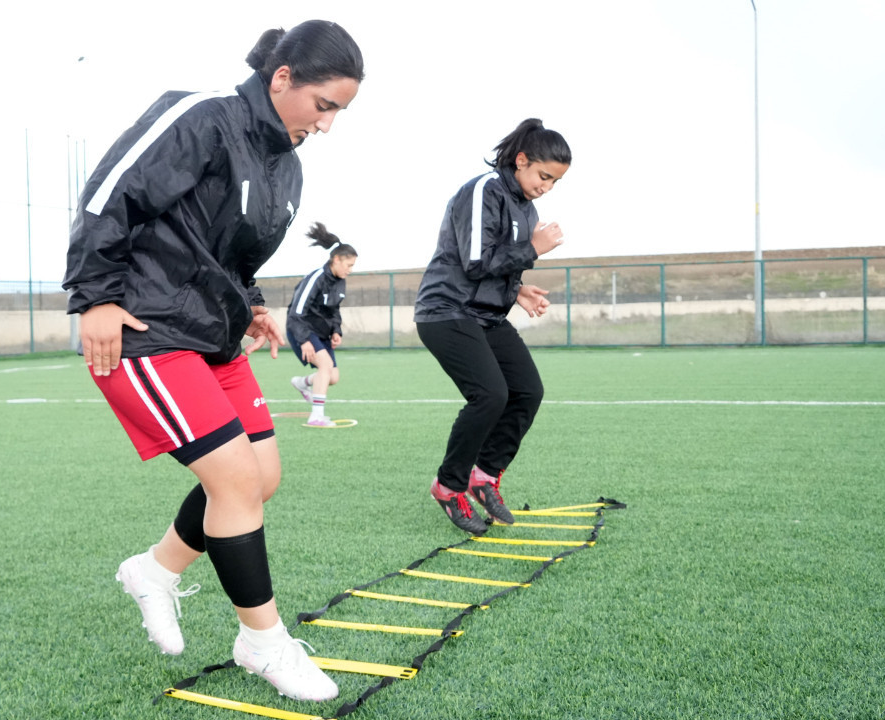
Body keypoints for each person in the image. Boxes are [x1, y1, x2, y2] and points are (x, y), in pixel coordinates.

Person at [62, 21, 363, 702]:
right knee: (232, 478)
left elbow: (225, 248)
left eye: (339, 111)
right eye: (325, 106)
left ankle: (157, 570)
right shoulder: (202, 114)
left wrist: (251, 302)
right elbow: (113, 191)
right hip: (144, 326)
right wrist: (94, 297)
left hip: (213, 334)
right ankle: (262, 641)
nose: (329, 124)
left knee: (262, 476)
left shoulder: (286, 161)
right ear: (282, 77)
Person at [413, 118, 570, 536]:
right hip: (446, 310)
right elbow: (476, 260)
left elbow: (501, 261)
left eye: (555, 182)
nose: (547, 187)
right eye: (543, 176)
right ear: (521, 160)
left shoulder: (526, 206)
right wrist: (534, 248)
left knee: (527, 391)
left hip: (485, 314)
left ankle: (483, 475)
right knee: (489, 394)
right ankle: (448, 486)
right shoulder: (485, 189)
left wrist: (518, 289)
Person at [286, 222, 357, 427]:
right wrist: (304, 340)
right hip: (303, 331)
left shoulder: (340, 281)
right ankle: (316, 416)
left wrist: (336, 330)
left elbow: (334, 309)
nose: (350, 270)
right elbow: (295, 313)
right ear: (336, 260)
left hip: (322, 334)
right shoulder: (316, 278)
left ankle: (301, 383)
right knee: (325, 366)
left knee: (332, 376)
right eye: (349, 265)